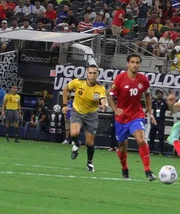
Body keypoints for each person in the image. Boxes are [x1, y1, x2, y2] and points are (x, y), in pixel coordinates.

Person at [107, 53, 157, 181]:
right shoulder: (119, 79)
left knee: (141, 140)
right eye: (133, 62)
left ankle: (148, 170)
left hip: (136, 116)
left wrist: (150, 112)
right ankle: (124, 169)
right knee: (122, 147)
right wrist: (115, 109)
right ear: (128, 64)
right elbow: (110, 95)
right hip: (121, 119)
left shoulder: (143, 80)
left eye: (137, 62)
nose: (135, 65)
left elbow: (147, 95)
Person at [62, 65, 108, 171]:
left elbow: (103, 98)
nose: (92, 75)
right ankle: (77, 144)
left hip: (91, 115)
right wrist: (64, 105)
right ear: (87, 73)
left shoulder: (100, 88)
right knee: (74, 133)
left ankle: (89, 163)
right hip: (77, 112)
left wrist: (104, 104)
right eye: (90, 73)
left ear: (97, 74)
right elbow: (65, 89)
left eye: (94, 73)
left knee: (90, 143)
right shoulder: (78, 82)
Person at [149, 90, 167, 155]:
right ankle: (151, 150)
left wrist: (172, 111)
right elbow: (149, 107)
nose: (160, 95)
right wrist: (145, 112)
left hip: (161, 122)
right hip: (154, 121)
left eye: (161, 94)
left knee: (161, 137)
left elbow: (170, 107)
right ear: (156, 95)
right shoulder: (154, 102)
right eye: (159, 94)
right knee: (152, 136)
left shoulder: (164, 102)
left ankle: (160, 151)